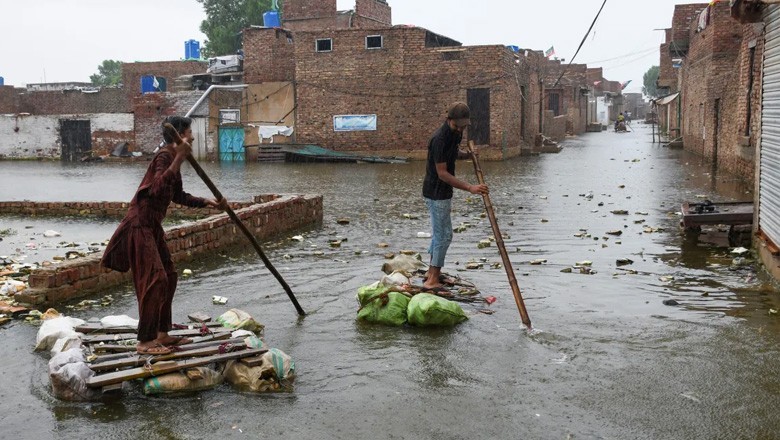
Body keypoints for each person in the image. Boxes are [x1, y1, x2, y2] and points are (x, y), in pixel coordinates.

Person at [101, 116, 227, 355]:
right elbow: (157, 187)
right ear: (180, 135)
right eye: (189, 132)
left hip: (153, 226)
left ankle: (162, 333)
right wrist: (178, 158)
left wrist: (207, 203)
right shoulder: (165, 157)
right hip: (140, 225)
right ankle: (145, 342)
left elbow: (177, 195)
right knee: (155, 279)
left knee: (169, 275)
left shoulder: (173, 160)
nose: (192, 136)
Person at [422, 102, 489, 292]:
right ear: (448, 119)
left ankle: (431, 272)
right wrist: (470, 187)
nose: (460, 129)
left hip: (442, 192)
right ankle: (432, 280)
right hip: (436, 193)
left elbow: (452, 154)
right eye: (457, 125)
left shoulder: (455, 133)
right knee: (444, 235)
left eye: (463, 126)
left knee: (439, 234)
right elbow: (442, 173)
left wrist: (467, 154)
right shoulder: (439, 139)